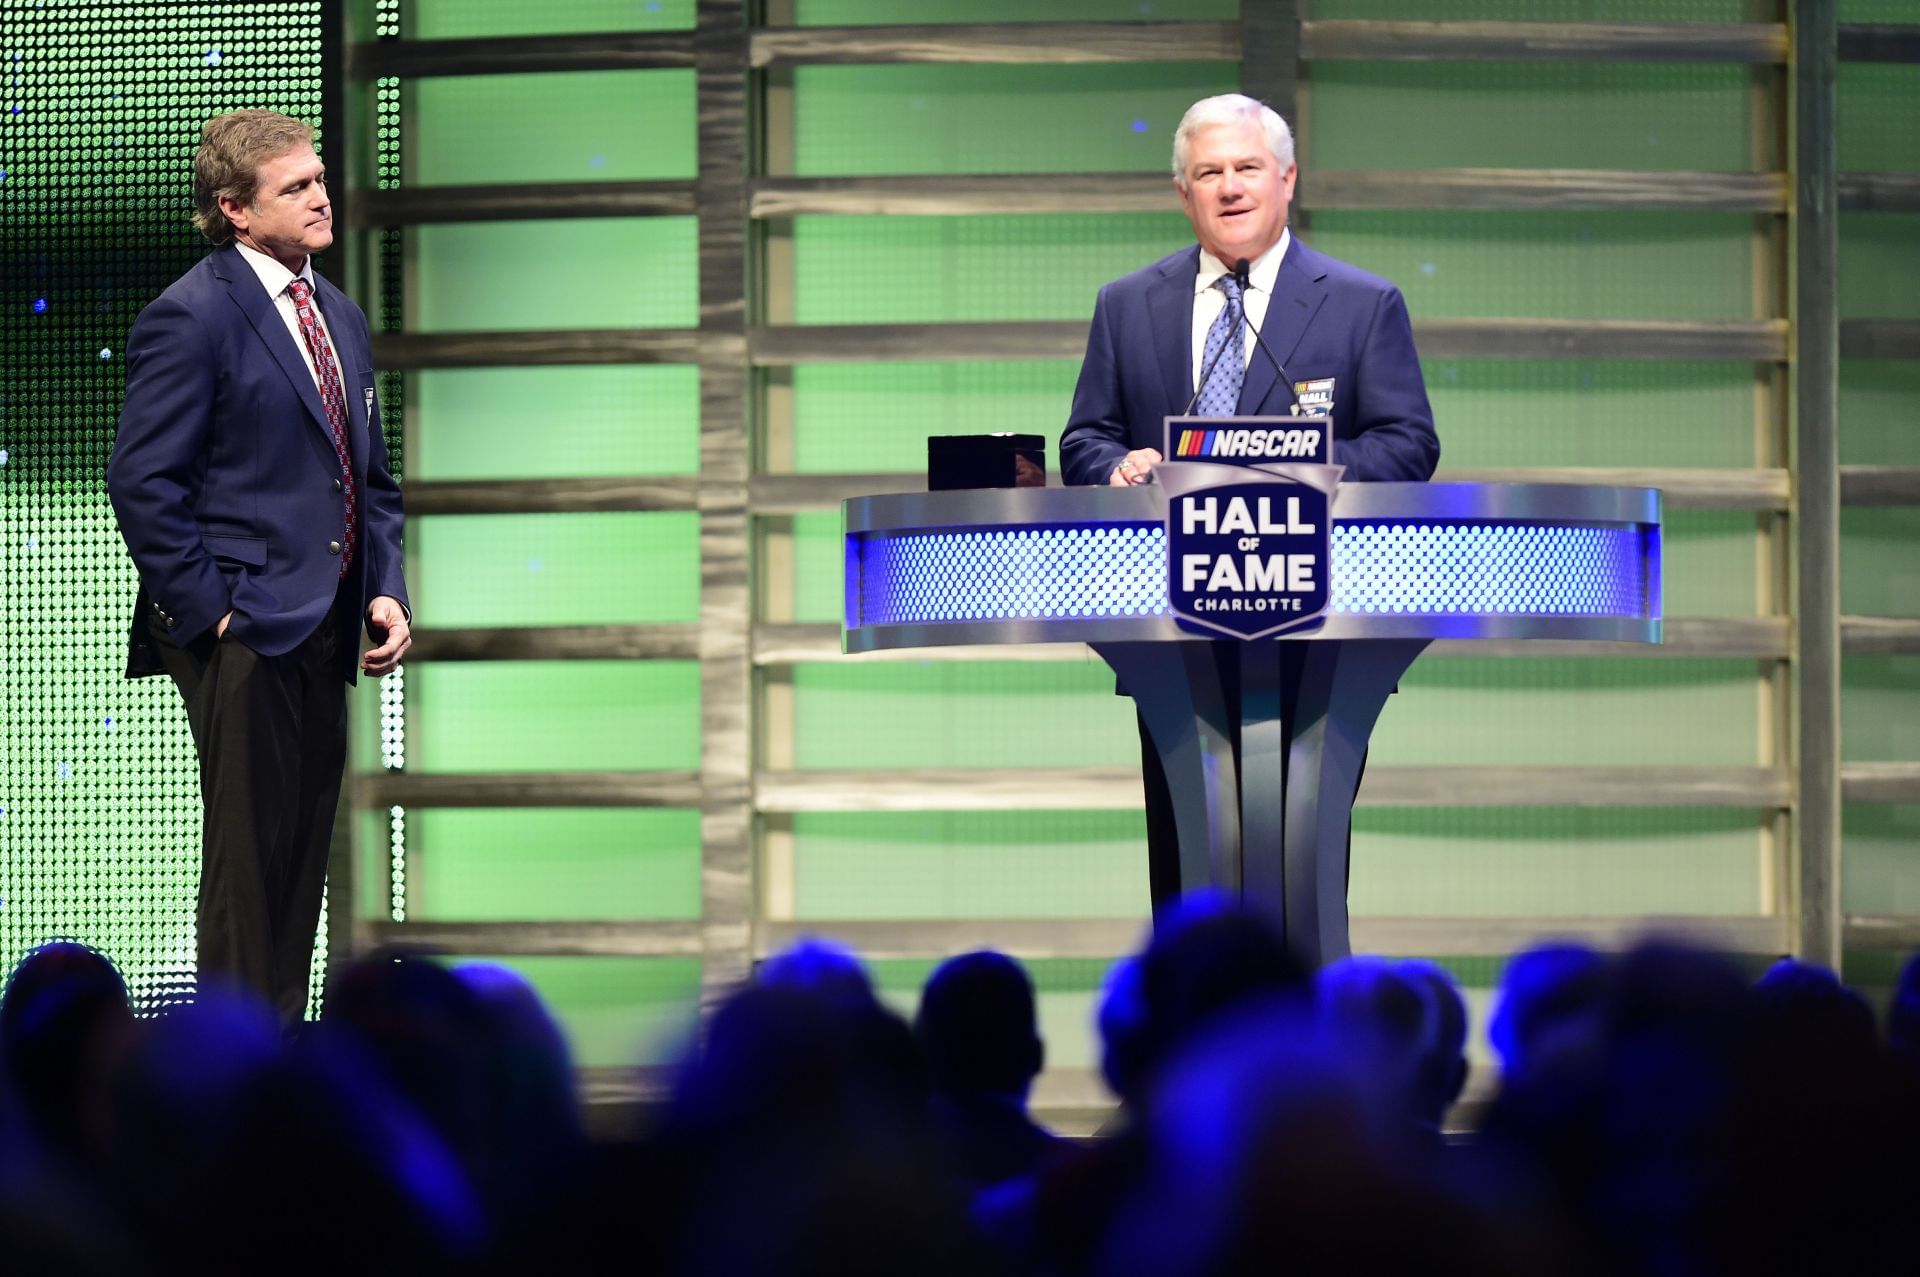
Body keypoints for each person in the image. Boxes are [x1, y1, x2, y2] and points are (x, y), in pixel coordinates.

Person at [1059, 93, 1440, 913]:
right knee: (1187, 889)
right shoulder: (1128, 305)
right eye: (1209, 173)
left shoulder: (1361, 303)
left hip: (1315, 640)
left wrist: (1279, 464)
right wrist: (1120, 465)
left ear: (1287, 179)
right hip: (1173, 637)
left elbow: (1408, 445)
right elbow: (1084, 440)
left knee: (1297, 885)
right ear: (1183, 192)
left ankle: (1300, 1033)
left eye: (1246, 169)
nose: (1230, 187)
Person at [107, 110, 410, 1024]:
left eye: (319, 179)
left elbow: (373, 479)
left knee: (300, 863)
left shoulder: (341, 316)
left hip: (326, 625)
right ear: (237, 211)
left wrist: (385, 587)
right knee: (247, 869)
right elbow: (141, 480)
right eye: (297, 187)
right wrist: (215, 612)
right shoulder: (191, 315)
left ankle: (281, 1058)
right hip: (244, 631)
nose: (321, 198)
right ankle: (233, 1086)